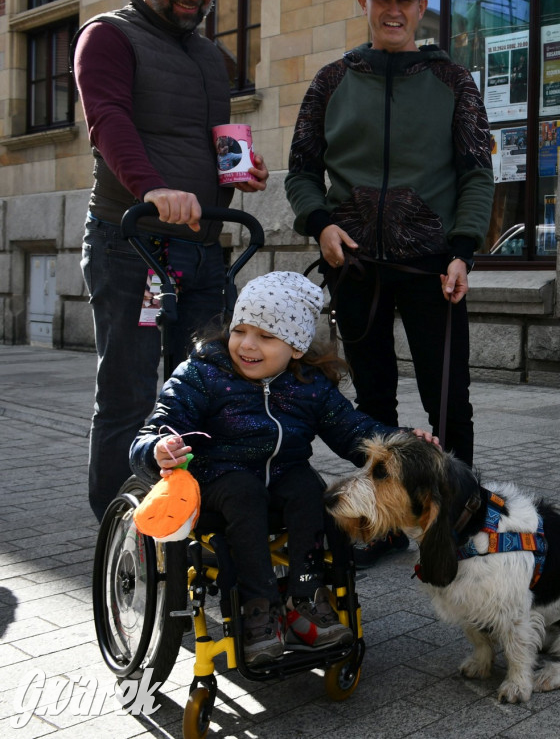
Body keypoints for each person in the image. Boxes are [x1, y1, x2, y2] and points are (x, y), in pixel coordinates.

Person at [285, 0, 495, 567]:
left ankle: (456, 521)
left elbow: (477, 174)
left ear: (421, 8)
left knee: (448, 402)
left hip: (432, 268)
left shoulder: (453, 81)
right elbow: (300, 171)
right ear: (364, 5)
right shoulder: (331, 80)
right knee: (372, 403)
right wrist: (320, 222)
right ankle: (379, 524)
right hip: (355, 270)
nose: (393, 9)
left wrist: (462, 252)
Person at [130, 271, 437, 665]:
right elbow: (155, 429)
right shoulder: (202, 374)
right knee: (243, 490)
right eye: (240, 330)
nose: (247, 345)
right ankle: (259, 606)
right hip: (217, 486)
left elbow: (356, 432)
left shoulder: (309, 385)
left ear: (295, 347)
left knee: (313, 489)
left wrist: (406, 441)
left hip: (281, 481)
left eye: (266, 336)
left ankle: (305, 597)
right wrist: (158, 449)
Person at [73, 0, 270, 522]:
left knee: (209, 389)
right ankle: (119, 529)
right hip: (131, 242)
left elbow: (212, 137)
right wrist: (153, 188)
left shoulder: (212, 58)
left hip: (203, 247)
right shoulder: (107, 36)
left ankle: (195, 515)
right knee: (130, 394)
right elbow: (109, 123)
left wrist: (241, 170)